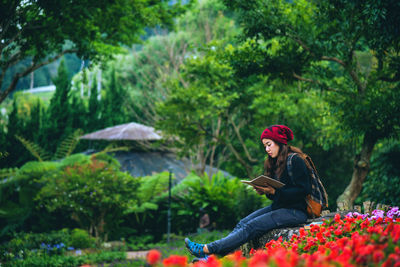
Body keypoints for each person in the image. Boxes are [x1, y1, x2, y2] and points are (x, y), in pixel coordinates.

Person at [185, 125, 312, 259]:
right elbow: (277, 196)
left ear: (279, 142)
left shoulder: (295, 160)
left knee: (252, 226)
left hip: (297, 212)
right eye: (265, 146)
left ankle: (207, 249)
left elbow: (303, 190)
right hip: (280, 207)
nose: (267, 149)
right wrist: (265, 191)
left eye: (269, 144)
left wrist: (274, 192)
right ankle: (211, 258)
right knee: (242, 223)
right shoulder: (274, 163)